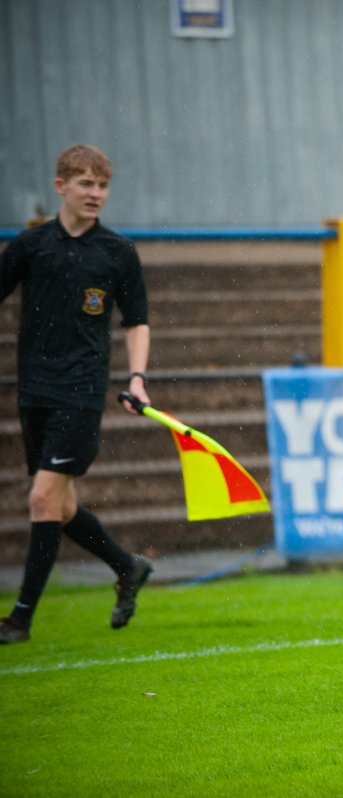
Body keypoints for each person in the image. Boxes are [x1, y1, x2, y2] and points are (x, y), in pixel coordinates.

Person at [0, 144, 154, 644]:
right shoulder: (31, 245)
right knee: (61, 507)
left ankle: (19, 619)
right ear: (60, 186)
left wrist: (136, 379)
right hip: (34, 391)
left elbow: (137, 322)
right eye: (86, 184)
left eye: (102, 185)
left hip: (83, 391)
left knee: (43, 498)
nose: (96, 194)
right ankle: (127, 566)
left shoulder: (117, 252)